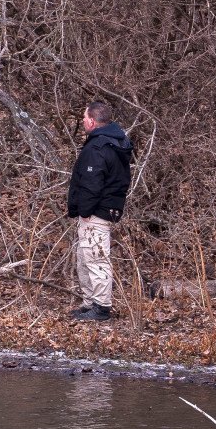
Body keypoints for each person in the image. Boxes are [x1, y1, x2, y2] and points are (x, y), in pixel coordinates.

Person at [66, 101, 134, 321]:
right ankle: (90, 303)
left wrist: (83, 210)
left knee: (95, 259)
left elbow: (92, 183)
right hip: (102, 210)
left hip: (96, 213)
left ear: (92, 121)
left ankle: (101, 307)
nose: (83, 121)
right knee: (85, 258)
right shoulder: (114, 142)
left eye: (84, 118)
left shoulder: (98, 147)